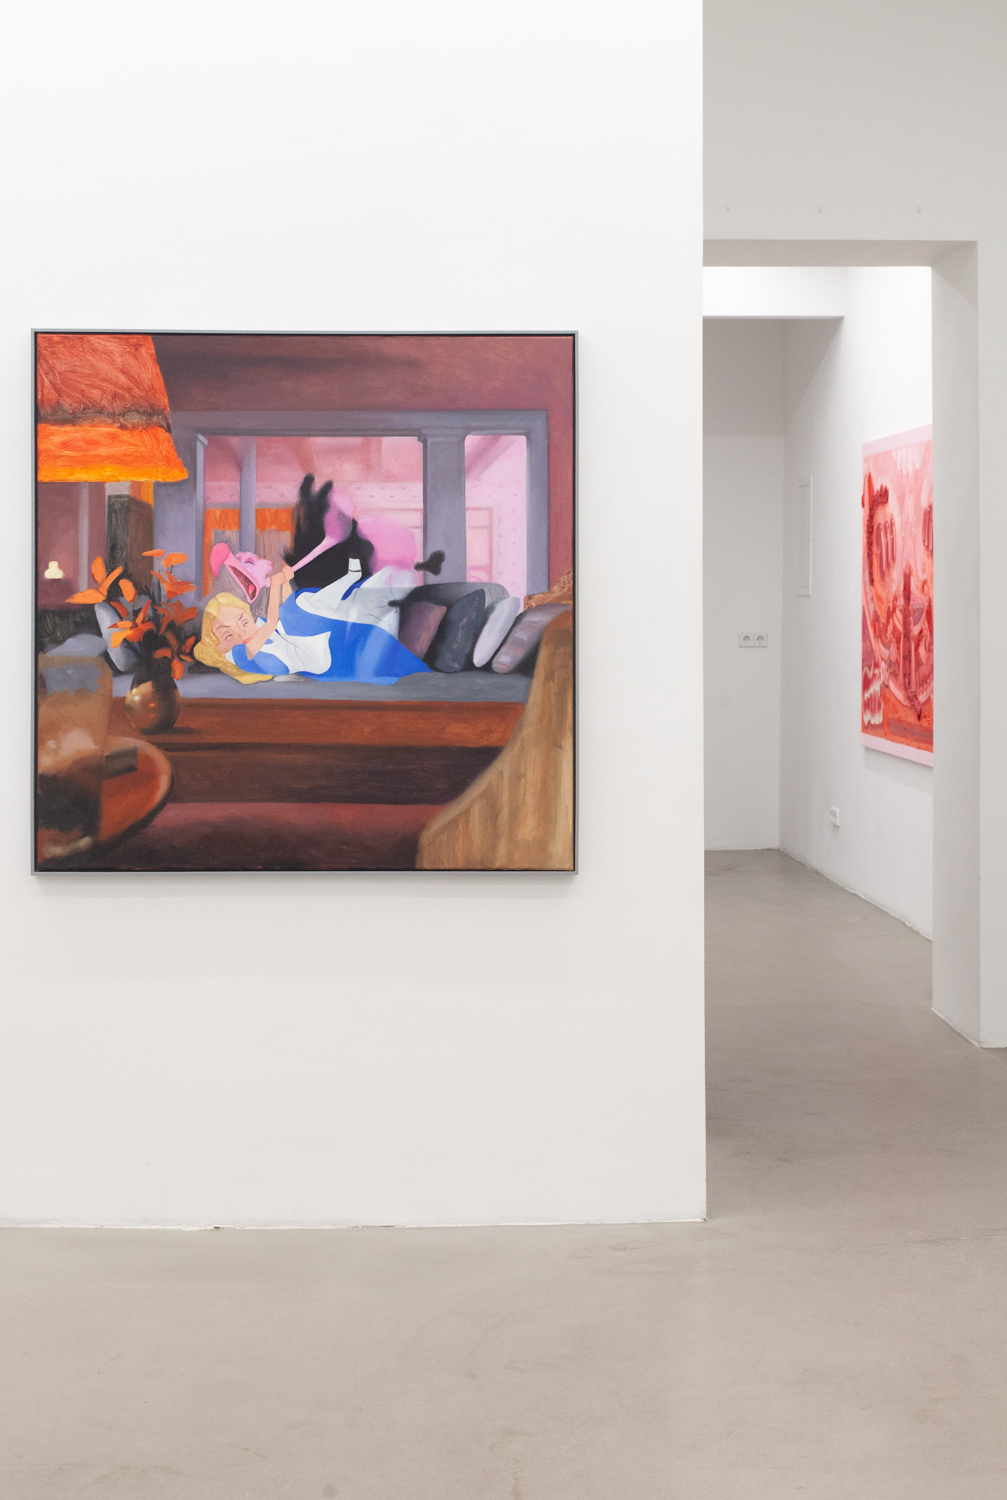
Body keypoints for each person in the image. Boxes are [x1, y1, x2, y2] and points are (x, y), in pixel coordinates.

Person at [195, 560, 430, 685]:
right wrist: (276, 585)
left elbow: (281, 616)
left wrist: (284, 581)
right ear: (219, 647)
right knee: (299, 612)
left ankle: (365, 589)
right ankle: (370, 595)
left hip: (327, 639)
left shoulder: (270, 631)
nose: (240, 632)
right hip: (334, 658)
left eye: (243, 621)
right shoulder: (240, 655)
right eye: (227, 635)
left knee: (299, 607)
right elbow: (271, 623)